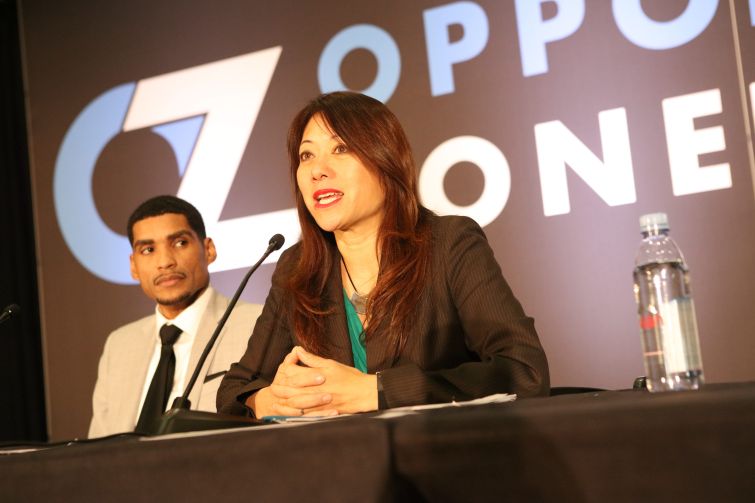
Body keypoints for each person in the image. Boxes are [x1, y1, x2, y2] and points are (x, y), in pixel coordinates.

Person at [217, 92, 549, 418]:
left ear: (386, 159)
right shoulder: (297, 268)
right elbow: (234, 391)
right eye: (306, 155)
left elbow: (524, 370)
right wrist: (269, 401)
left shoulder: (449, 243)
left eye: (340, 148)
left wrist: (377, 391)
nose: (317, 170)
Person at [89, 195, 262, 437]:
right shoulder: (119, 345)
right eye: (148, 250)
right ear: (133, 266)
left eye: (180, 243)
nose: (165, 262)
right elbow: (97, 447)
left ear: (209, 249)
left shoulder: (258, 324)